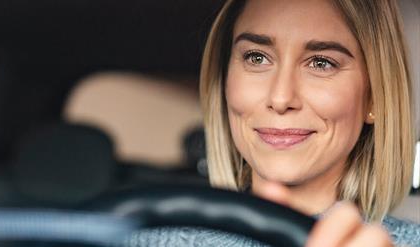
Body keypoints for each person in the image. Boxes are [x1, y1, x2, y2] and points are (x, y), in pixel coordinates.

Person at [126, 0, 420, 246]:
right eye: (256, 57)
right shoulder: (138, 239)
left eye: (321, 63)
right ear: (225, 80)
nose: (281, 98)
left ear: (375, 99)